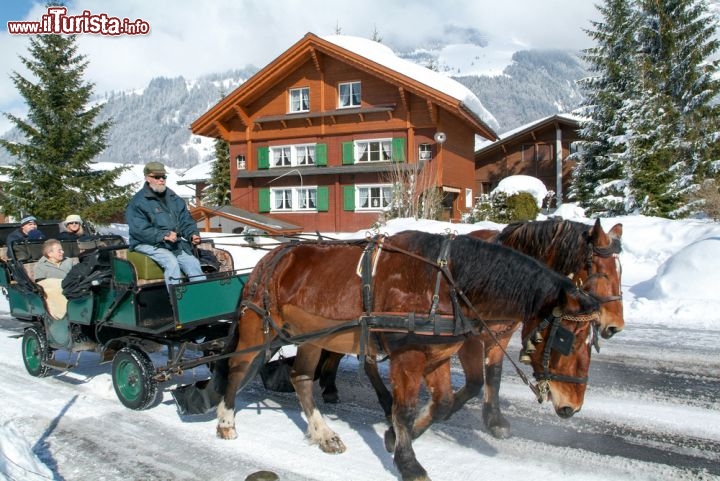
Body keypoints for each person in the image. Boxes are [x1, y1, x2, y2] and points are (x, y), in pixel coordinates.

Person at [125, 161, 205, 287]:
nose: (161, 179)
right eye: (157, 177)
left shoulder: (174, 198)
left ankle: (203, 300)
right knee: (171, 262)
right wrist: (164, 235)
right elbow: (138, 229)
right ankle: (177, 304)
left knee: (193, 263)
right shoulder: (138, 201)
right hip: (144, 243)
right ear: (147, 178)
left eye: (164, 177)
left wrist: (192, 234)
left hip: (171, 244)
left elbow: (185, 220)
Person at [34, 239, 73, 319]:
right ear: (50, 253)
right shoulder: (40, 266)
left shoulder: (68, 261)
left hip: (71, 287)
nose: (62, 252)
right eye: (59, 251)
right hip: (55, 294)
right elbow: (42, 285)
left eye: (62, 250)